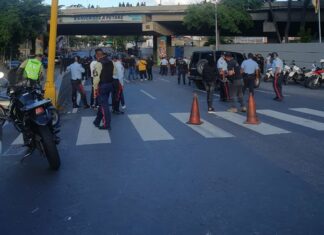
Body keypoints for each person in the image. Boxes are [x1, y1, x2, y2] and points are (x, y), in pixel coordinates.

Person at [93, 49, 114, 130]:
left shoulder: (98, 64)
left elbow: (96, 78)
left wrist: (95, 89)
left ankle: (107, 124)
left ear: (97, 55)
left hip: (102, 86)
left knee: (104, 105)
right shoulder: (110, 62)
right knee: (102, 104)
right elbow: (114, 73)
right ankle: (97, 121)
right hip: (110, 85)